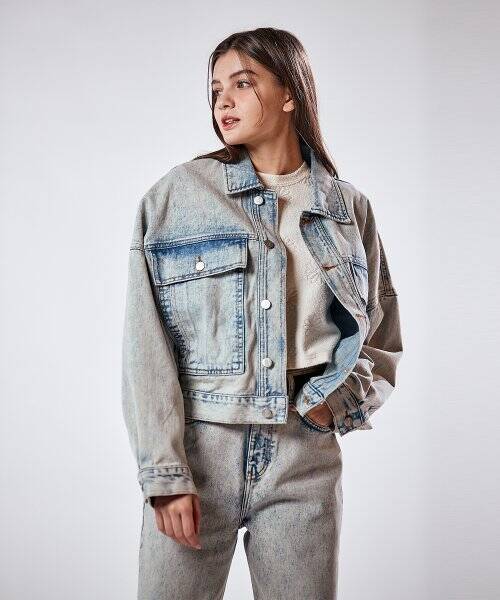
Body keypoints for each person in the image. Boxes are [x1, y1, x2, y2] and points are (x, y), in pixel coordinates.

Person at [122, 26, 403, 600]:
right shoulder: (178, 196)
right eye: (215, 90)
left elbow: (379, 334)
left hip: (304, 457)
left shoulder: (347, 206)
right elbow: (144, 346)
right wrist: (165, 473)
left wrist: (335, 404)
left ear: (290, 92)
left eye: (243, 83)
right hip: (201, 451)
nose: (223, 101)